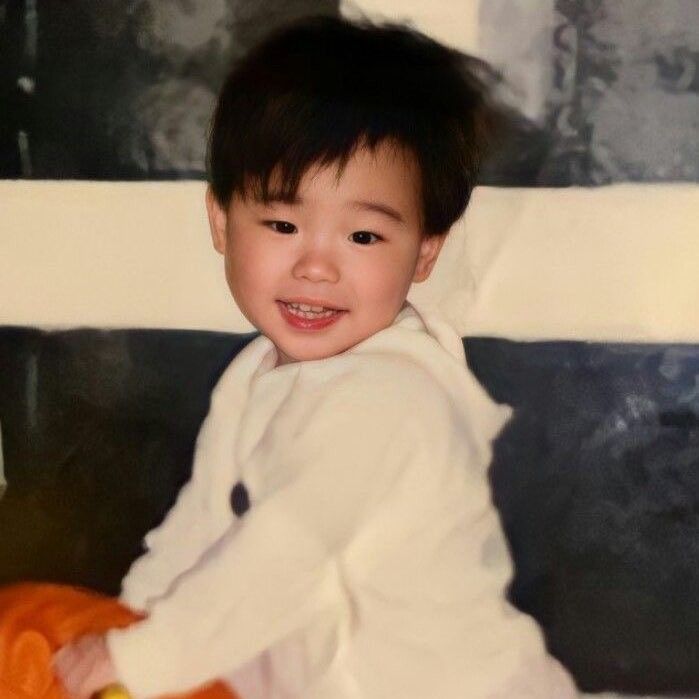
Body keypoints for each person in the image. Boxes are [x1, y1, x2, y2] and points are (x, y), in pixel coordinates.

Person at [53, 14, 578, 699]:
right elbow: (202, 531)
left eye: (362, 236)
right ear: (220, 221)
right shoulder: (253, 378)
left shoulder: (390, 398)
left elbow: (284, 551)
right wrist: (123, 623)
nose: (316, 266)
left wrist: (145, 655)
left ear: (423, 252)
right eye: (280, 224)